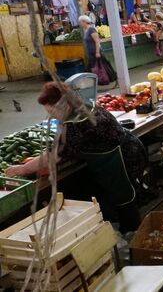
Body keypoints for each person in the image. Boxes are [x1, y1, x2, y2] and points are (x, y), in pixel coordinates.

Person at [6, 82, 145, 233]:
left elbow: (53, 156)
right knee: (120, 197)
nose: (51, 116)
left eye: (52, 111)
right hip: (124, 149)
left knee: (124, 199)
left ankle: (133, 237)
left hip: (120, 160)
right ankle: (125, 230)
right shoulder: (82, 105)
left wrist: (23, 168)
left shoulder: (76, 124)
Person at [80, 15, 116, 83]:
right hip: (91, 53)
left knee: (104, 67)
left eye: (81, 22)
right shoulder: (86, 30)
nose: (80, 24)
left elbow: (97, 41)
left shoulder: (91, 29)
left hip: (96, 52)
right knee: (94, 68)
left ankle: (114, 79)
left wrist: (97, 52)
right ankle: (96, 82)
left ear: (84, 22)